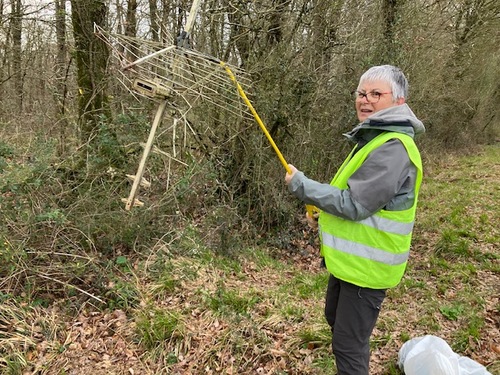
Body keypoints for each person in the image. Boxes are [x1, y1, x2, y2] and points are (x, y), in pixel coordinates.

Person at [284, 65, 425, 375]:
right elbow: (358, 197)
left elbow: (355, 204)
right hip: (352, 263)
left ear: (399, 101)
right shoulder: (375, 139)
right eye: (362, 93)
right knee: (336, 321)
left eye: (376, 94)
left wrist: (303, 187)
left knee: (348, 344)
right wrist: (322, 209)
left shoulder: (394, 148)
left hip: (369, 269)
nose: (366, 100)